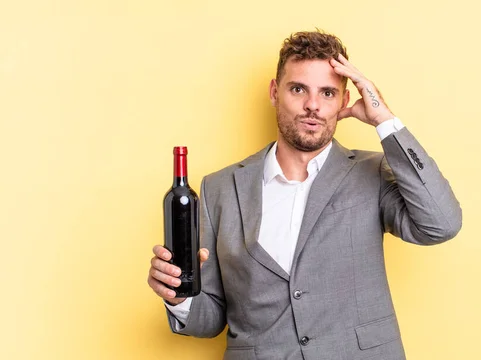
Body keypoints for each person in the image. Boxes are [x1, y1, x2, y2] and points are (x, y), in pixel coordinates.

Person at [148, 30, 462, 360]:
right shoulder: (219, 189)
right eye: (298, 89)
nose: (312, 105)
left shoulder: (372, 173)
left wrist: (384, 119)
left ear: (343, 102)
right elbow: (211, 317)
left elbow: (441, 224)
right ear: (274, 92)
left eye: (327, 93)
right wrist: (179, 297)